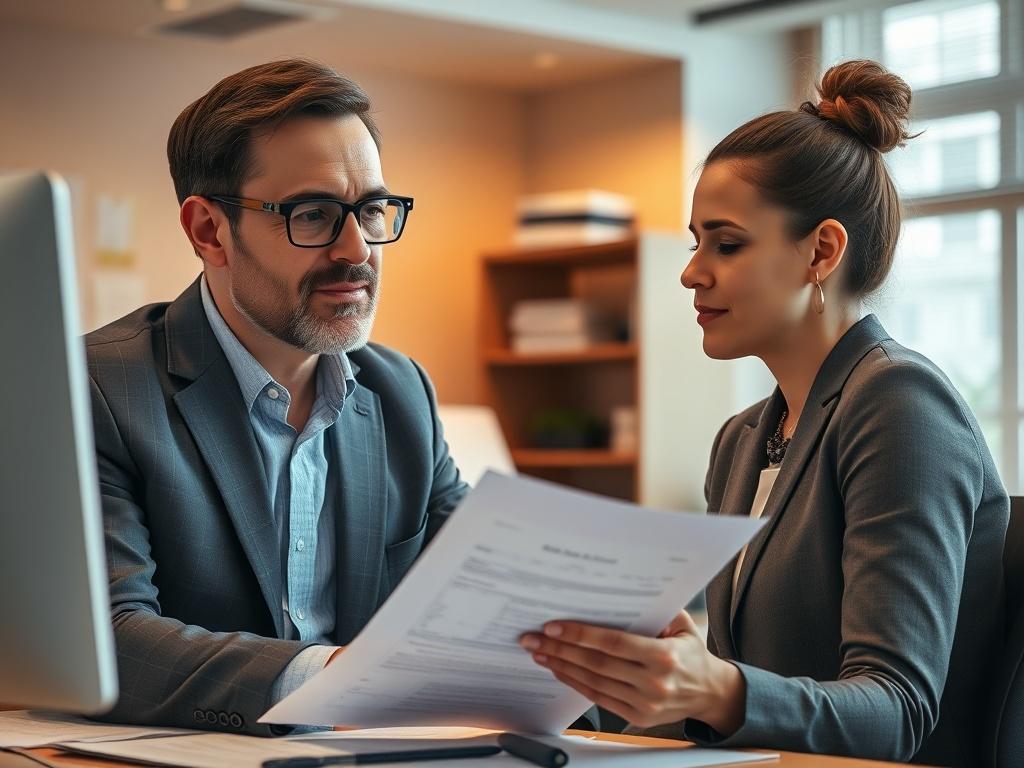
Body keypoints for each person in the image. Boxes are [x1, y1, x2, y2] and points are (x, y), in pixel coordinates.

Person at [518, 59, 1008, 767]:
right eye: (695, 242)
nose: (692, 271)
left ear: (822, 250)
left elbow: (895, 711)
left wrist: (712, 687)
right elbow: (736, 694)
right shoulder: (742, 440)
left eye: (727, 243)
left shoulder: (900, 405)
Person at [87, 59, 468, 735]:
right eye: (314, 214)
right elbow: (105, 637)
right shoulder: (99, 389)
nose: (357, 251)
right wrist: (334, 680)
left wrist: (605, 638)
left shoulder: (401, 392)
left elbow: (478, 591)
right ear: (208, 231)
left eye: (373, 209)